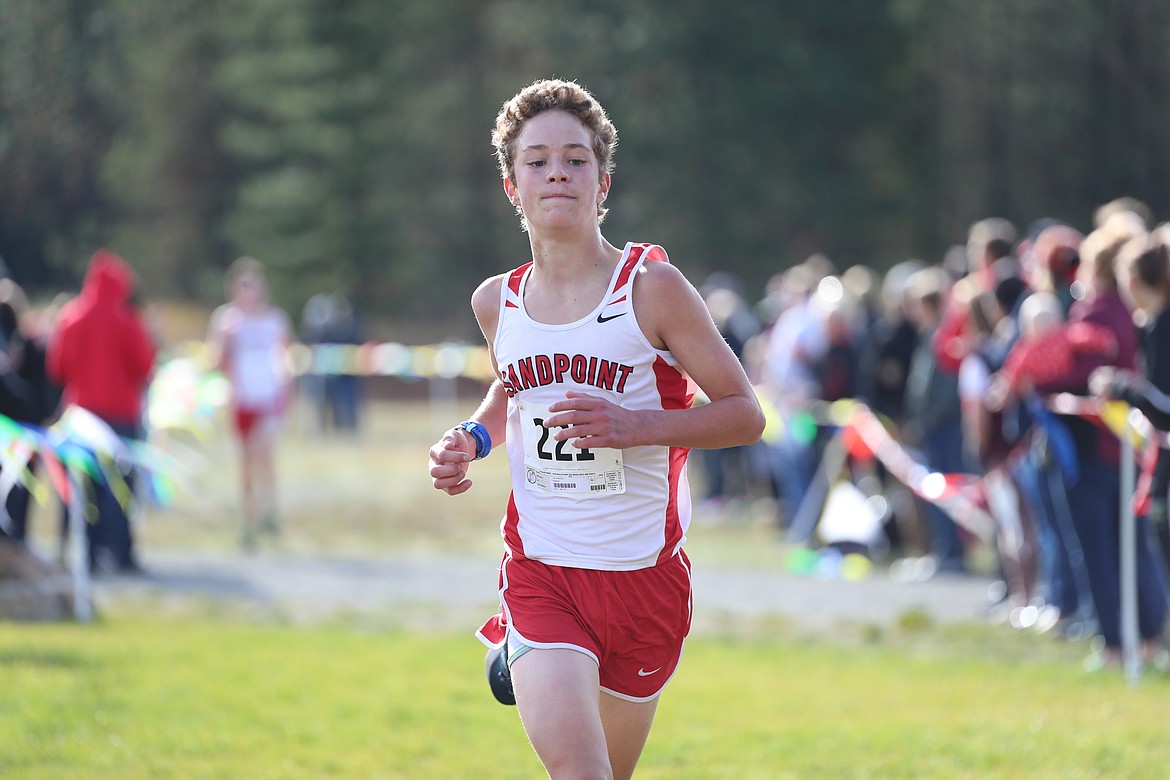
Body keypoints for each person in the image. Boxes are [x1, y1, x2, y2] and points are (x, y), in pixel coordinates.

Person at [427, 79, 764, 779]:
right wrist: (472, 438)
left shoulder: (652, 289)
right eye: (538, 160)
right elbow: (513, 392)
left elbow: (744, 414)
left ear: (602, 182)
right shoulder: (497, 302)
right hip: (542, 571)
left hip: (645, 580)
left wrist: (637, 425)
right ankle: (523, 646)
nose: (557, 171)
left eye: (576, 160)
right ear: (512, 186)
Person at [46, 249, 156, 573]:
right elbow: (145, 365)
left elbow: (57, 367)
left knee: (88, 485)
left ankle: (89, 552)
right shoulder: (127, 319)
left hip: (83, 414)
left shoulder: (70, 316)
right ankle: (121, 552)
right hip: (122, 416)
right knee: (122, 487)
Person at [207, 257, 292, 552]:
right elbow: (215, 361)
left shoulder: (273, 320)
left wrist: (286, 392)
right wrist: (225, 345)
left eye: (253, 286)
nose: (249, 293)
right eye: (243, 286)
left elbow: (285, 357)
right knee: (244, 463)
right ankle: (249, 519)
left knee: (264, 456)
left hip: (267, 398)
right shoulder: (226, 321)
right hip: (240, 399)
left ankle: (269, 510)